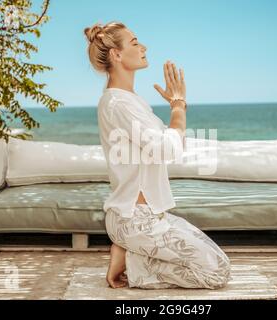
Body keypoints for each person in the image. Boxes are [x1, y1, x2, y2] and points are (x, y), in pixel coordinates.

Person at [84, 21, 231, 289]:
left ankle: (129, 253)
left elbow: (167, 144)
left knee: (218, 261)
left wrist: (175, 113)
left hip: (150, 216)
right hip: (136, 220)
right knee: (216, 272)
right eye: (135, 42)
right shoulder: (118, 103)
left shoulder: (131, 101)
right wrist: (178, 107)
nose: (144, 47)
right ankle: (132, 260)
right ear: (116, 54)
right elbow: (168, 148)